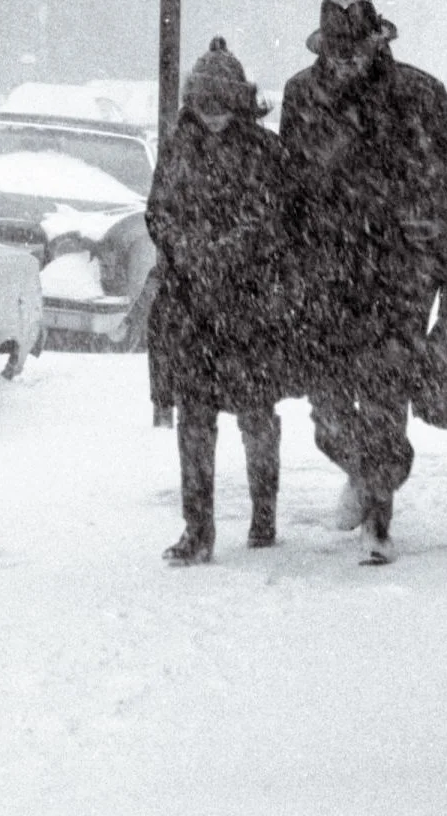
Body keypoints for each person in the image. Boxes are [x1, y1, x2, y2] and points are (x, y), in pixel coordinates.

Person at [279, 0, 447, 566]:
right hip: (326, 273)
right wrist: (286, 264)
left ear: (376, 41)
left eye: (356, 48)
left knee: (385, 397)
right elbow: (289, 187)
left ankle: (379, 520)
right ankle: (367, 474)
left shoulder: (419, 93)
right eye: (337, 51)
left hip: (400, 273)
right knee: (329, 415)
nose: (346, 61)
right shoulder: (300, 95)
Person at [145, 36, 294, 565]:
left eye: (220, 103)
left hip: (249, 308)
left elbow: (272, 220)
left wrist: (225, 254)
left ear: (238, 100)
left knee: (256, 414)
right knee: (194, 420)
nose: (211, 114)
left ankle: (264, 514)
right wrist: (190, 252)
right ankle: (198, 530)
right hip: (190, 311)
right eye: (203, 103)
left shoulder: (263, 150)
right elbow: (158, 212)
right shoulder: (178, 145)